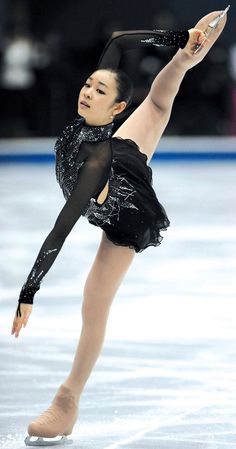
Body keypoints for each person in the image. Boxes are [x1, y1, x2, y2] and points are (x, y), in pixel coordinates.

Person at [11, 9, 228, 446]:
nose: (88, 91)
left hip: (124, 212)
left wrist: (29, 291)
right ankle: (186, 59)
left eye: (100, 89)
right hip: (121, 151)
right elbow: (120, 39)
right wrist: (180, 38)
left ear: (116, 108)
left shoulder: (95, 165)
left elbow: (61, 228)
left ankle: (68, 399)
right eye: (89, 84)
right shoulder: (95, 125)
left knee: (93, 301)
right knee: (159, 102)